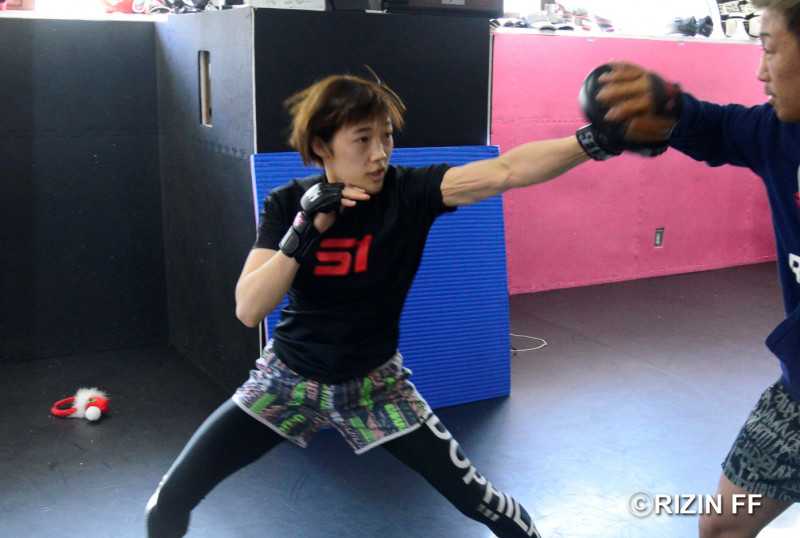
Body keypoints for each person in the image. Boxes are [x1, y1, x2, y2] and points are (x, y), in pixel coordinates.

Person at [144, 68, 660, 537]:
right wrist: (305, 229)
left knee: (484, 504)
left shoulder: (409, 192)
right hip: (286, 382)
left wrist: (594, 141)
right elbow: (249, 308)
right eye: (362, 139)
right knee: (169, 500)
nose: (379, 154)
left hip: (376, 388)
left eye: (386, 136)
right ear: (322, 146)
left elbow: (507, 170)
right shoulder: (288, 204)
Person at [581, 1, 800, 536]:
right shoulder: (781, 134)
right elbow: (721, 128)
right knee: (722, 524)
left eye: (771, 50)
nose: (761, 71)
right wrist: (670, 107)